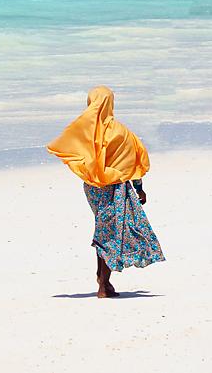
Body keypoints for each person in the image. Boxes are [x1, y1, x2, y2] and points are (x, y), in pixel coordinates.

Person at [47, 86, 164, 298]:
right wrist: (139, 189)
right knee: (109, 231)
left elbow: (74, 152)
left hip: (92, 187)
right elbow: (132, 162)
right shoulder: (121, 132)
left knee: (104, 228)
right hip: (116, 187)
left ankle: (103, 279)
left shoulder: (84, 129)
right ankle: (104, 283)